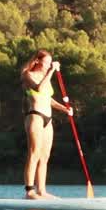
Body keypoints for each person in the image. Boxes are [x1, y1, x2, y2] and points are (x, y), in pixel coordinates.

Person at [20, 49, 74, 199]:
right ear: (37, 61)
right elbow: (39, 89)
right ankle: (30, 191)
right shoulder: (27, 75)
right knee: (34, 153)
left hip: (48, 119)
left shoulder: (45, 77)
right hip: (35, 116)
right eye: (47, 62)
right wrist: (51, 71)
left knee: (45, 156)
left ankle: (41, 191)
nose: (50, 65)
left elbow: (48, 98)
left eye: (51, 63)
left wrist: (65, 109)